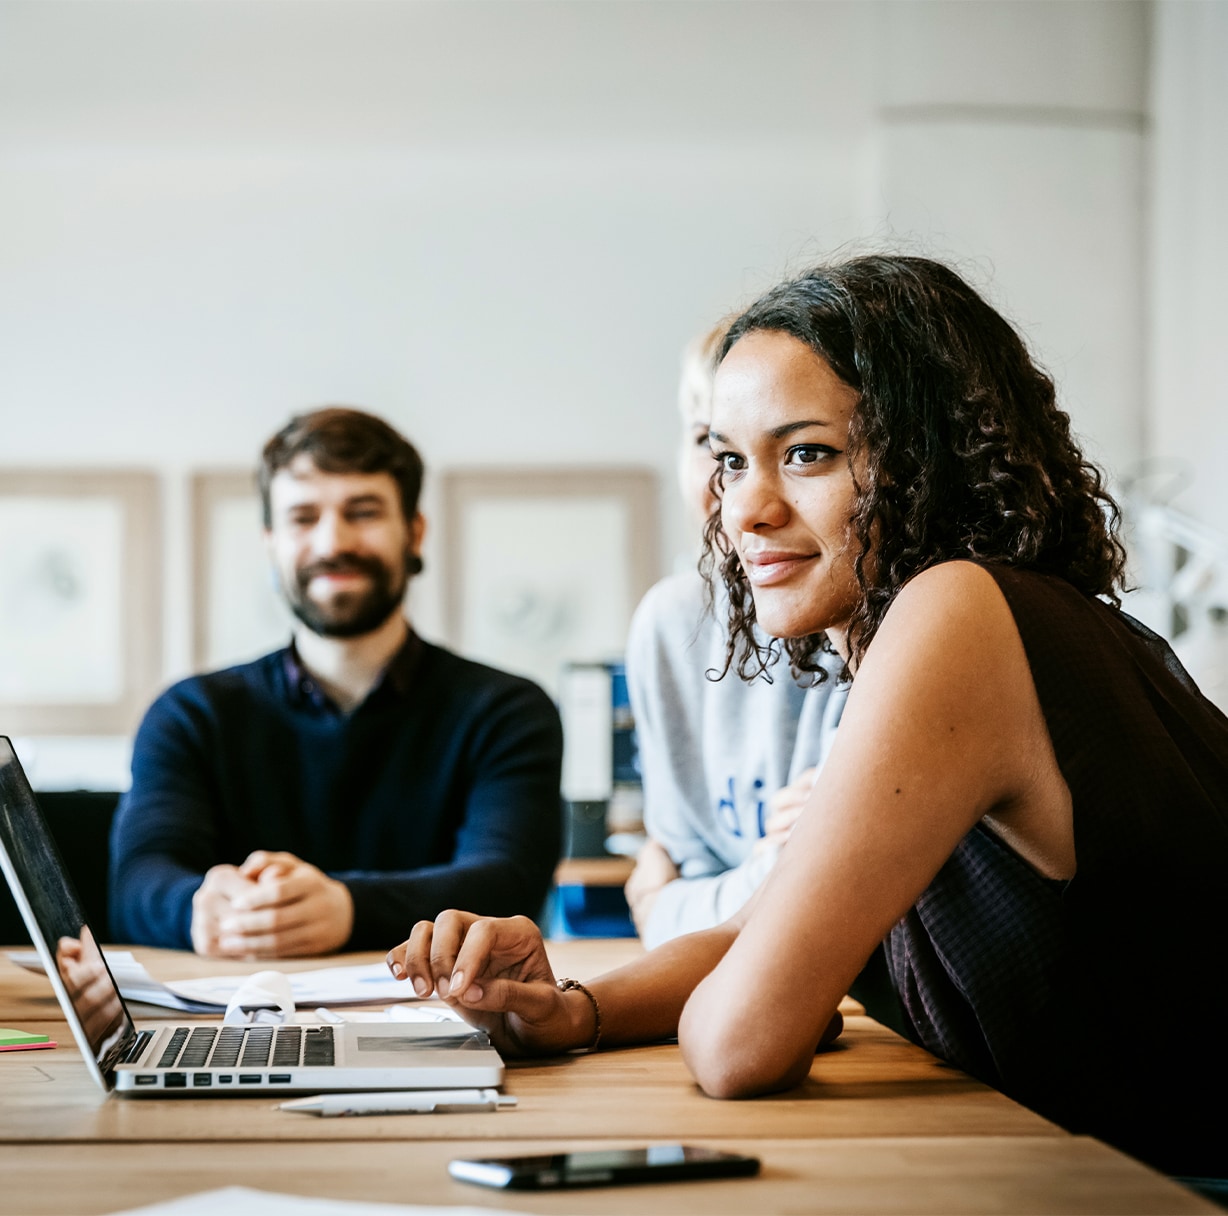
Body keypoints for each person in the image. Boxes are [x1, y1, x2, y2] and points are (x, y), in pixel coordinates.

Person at [387, 256, 1228, 1178]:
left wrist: (786, 991)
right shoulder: (987, 619)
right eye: (729, 459)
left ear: (925, 457)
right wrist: (570, 1007)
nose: (746, 507)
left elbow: (740, 1045)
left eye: (806, 453)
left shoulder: (958, 614)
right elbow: (766, 928)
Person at [110, 407, 563, 957]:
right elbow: (136, 884)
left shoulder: (506, 710)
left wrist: (346, 909)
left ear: (414, 533)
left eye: (363, 512)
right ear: (271, 542)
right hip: (234, 1024)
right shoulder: (190, 714)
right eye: (303, 518)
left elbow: (507, 882)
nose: (332, 542)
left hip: (442, 1023)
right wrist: (203, 909)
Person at [623, 323, 848, 947]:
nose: (743, 496)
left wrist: (668, 910)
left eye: (801, 451)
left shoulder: (862, 618)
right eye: (718, 450)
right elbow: (684, 860)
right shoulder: (670, 624)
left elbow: (824, 892)